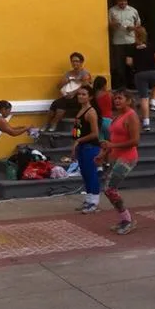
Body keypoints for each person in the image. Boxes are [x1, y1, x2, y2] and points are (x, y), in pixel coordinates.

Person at [97, 90, 141, 235]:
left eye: (120, 98)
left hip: (127, 158)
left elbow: (135, 141)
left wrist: (112, 146)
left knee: (110, 189)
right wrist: (103, 154)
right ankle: (124, 219)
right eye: (115, 98)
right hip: (115, 156)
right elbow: (113, 140)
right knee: (109, 190)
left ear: (128, 100)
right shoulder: (117, 117)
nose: (116, 101)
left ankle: (127, 220)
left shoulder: (131, 116)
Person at [70, 85, 102, 214]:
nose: (80, 97)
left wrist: (78, 140)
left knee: (91, 174)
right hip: (82, 146)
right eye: (79, 94)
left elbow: (95, 133)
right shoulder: (80, 110)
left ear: (90, 97)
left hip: (90, 146)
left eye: (84, 94)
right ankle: (88, 199)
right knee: (84, 173)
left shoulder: (91, 112)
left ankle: (94, 201)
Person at [44, 52, 92, 133]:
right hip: (67, 96)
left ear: (81, 62)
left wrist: (73, 93)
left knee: (62, 104)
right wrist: (65, 81)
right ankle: (47, 123)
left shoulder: (85, 73)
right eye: (73, 61)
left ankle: (54, 123)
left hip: (79, 98)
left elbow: (85, 86)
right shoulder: (68, 73)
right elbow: (58, 86)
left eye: (77, 61)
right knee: (55, 103)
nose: (75, 63)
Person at [125, 26, 155, 131]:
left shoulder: (132, 47)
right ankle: (153, 102)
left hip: (140, 73)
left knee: (144, 98)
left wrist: (135, 64)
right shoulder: (152, 46)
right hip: (153, 71)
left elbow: (128, 62)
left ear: (135, 35)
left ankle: (146, 123)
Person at [108, 0, 141, 90]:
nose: (123, 3)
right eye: (121, 1)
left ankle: (132, 84)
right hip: (118, 41)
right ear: (117, 1)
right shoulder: (112, 11)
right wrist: (114, 25)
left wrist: (133, 28)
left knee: (131, 64)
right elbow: (108, 24)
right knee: (119, 65)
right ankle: (121, 85)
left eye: (125, 1)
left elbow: (138, 24)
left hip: (131, 40)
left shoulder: (133, 10)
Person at [93, 76, 113, 141]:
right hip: (108, 120)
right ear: (104, 85)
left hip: (97, 121)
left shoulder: (92, 95)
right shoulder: (108, 94)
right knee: (111, 142)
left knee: (102, 143)